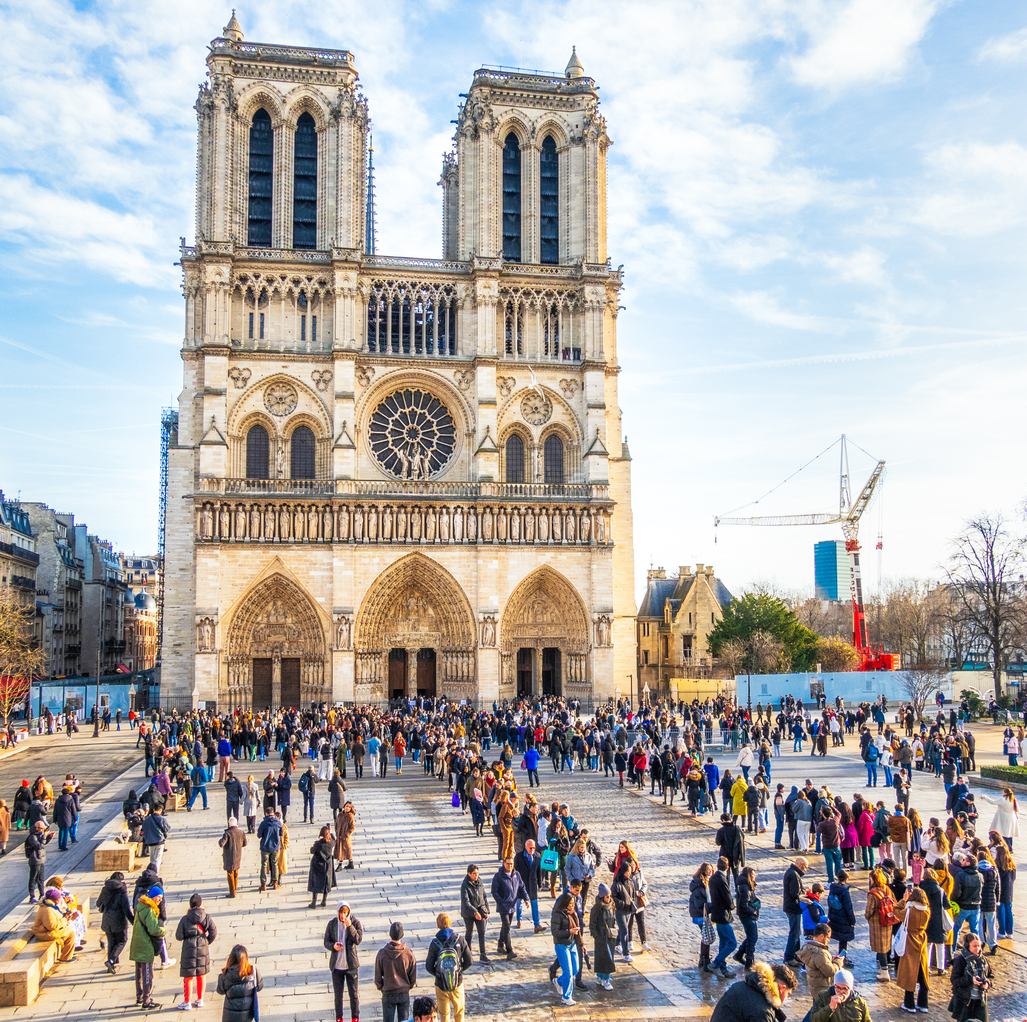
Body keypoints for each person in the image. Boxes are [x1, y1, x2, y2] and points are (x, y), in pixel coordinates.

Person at [709, 962, 798, 1022]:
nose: (786, 998)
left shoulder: (740, 986)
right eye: (788, 994)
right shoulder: (762, 1012)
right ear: (782, 988)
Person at [425, 910, 472, 1022]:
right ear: (450, 923)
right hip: (457, 983)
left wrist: (439, 973)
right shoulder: (459, 940)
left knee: (444, 1015)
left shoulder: (435, 943)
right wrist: (459, 971)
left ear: (438, 925)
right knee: (459, 1013)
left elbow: (428, 966)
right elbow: (469, 960)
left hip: (441, 984)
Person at [176, 892, 218, 1011]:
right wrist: (206, 941)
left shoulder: (185, 919)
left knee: (188, 976)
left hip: (188, 949)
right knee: (201, 974)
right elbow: (214, 932)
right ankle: (200, 1000)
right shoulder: (206, 917)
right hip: (202, 946)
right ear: (201, 904)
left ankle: (187, 1002)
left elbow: (179, 936)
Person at [324, 901, 363, 1022]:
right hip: (337, 966)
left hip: (351, 965)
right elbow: (326, 941)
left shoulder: (355, 923)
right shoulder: (332, 924)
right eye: (341, 913)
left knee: (354, 994)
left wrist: (350, 927)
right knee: (338, 995)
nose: (343, 916)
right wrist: (333, 946)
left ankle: (355, 1018)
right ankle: (339, 1018)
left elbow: (358, 940)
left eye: (345, 913)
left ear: (348, 913)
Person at [129, 885, 166, 1010]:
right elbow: (153, 929)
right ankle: (146, 1001)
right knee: (147, 975)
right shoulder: (150, 910)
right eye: (159, 897)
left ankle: (139, 997)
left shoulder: (140, 907)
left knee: (139, 973)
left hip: (137, 943)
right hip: (145, 945)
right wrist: (163, 931)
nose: (160, 900)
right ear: (154, 897)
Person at [897, 887, 932, 1013]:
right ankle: (923, 1004)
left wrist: (903, 900)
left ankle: (909, 1004)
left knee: (910, 974)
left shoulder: (909, 911)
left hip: (910, 942)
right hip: (922, 941)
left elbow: (896, 911)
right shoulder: (927, 910)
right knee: (922, 974)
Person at [374, 921, 417, 1022]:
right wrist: (408, 986)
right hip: (403, 992)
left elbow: (378, 975)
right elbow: (413, 975)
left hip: (388, 992)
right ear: (402, 935)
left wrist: (381, 987)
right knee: (404, 1020)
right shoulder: (408, 954)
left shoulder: (382, 953)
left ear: (390, 934)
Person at [948, 933, 992, 1022]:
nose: (977, 949)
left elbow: (990, 976)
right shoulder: (959, 960)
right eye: (974, 946)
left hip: (980, 1002)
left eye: (979, 946)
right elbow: (955, 981)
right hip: (965, 1002)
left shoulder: (983, 960)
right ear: (967, 946)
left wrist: (987, 983)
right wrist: (970, 980)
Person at [98, 870, 134, 973]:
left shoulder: (105, 889)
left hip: (106, 920)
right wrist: (133, 921)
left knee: (111, 942)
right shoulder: (122, 892)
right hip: (118, 921)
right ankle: (111, 961)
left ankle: (111, 965)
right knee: (122, 941)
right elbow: (126, 910)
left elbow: (98, 903)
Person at [491, 855, 527, 959]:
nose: (510, 866)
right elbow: (494, 891)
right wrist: (500, 901)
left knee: (506, 926)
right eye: (508, 864)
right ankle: (509, 950)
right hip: (503, 906)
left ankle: (500, 944)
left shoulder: (516, 875)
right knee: (507, 926)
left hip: (512, 905)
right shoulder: (498, 876)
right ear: (504, 864)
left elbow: (521, 887)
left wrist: (526, 898)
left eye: (511, 864)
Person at [216, 944, 262, 1022]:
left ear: (231, 958)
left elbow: (220, 991)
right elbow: (259, 987)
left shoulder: (225, 975)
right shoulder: (252, 972)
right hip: (247, 1015)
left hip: (230, 1016)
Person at [551, 889, 581, 1006]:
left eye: (573, 903)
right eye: (571, 904)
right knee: (568, 973)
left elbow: (577, 928)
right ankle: (566, 996)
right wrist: (569, 931)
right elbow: (555, 932)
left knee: (575, 969)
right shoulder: (557, 915)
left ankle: (558, 981)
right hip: (562, 945)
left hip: (572, 944)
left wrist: (581, 944)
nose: (573, 906)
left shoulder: (573, 913)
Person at [708, 855, 737, 978]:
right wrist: (732, 905)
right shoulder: (722, 879)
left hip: (716, 914)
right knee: (732, 943)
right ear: (727, 867)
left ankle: (723, 968)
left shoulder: (713, 878)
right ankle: (716, 963)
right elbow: (727, 898)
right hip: (723, 915)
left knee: (723, 942)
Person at [798, 922, 842, 1000]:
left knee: (816, 1005)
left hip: (815, 988)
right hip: (823, 990)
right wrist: (838, 961)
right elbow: (830, 971)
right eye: (828, 937)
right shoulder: (819, 953)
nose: (828, 940)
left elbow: (819, 963)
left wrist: (829, 959)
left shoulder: (808, 947)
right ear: (822, 936)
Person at [31, 886, 76, 962]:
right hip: (43, 933)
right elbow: (52, 926)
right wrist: (65, 920)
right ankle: (65, 957)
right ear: (54, 900)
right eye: (58, 900)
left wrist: (66, 915)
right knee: (70, 933)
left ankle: (67, 952)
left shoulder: (50, 906)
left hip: (46, 930)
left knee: (69, 929)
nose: (58, 901)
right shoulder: (48, 910)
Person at [588, 882, 617, 991]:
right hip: (601, 937)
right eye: (607, 897)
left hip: (610, 937)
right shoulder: (597, 909)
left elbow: (613, 920)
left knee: (608, 957)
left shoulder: (612, 906)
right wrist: (596, 935)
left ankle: (603, 977)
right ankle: (604, 979)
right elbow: (592, 923)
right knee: (604, 958)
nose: (609, 899)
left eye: (609, 896)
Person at [459, 863, 491, 963]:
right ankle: (467, 954)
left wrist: (487, 910)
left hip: (480, 911)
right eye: (474, 873)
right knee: (469, 932)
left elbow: (484, 897)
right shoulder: (465, 885)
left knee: (482, 933)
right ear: (469, 874)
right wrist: (474, 912)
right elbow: (465, 902)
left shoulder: (480, 882)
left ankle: (483, 954)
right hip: (468, 913)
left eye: (477, 873)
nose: (476, 875)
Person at [783, 856, 809, 968]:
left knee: (796, 932)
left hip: (791, 907)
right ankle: (789, 957)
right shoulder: (793, 874)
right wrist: (805, 893)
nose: (805, 869)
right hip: (793, 907)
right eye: (805, 867)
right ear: (800, 864)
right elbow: (795, 893)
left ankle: (796, 954)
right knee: (794, 933)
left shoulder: (791, 872)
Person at [514, 838, 544, 933]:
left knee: (534, 904)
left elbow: (539, 871)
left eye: (534, 848)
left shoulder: (537, 856)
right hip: (521, 884)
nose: (532, 849)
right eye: (530, 848)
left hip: (532, 884)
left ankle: (536, 924)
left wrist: (540, 883)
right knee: (520, 902)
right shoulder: (519, 856)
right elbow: (515, 870)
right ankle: (519, 919)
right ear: (526, 847)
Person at [735, 865, 760, 968]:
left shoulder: (748, 885)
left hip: (747, 915)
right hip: (747, 915)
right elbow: (743, 904)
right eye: (753, 874)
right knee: (752, 938)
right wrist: (753, 911)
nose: (755, 876)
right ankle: (749, 960)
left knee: (751, 937)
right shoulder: (745, 887)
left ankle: (739, 954)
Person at [308, 825, 337, 908]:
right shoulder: (331, 843)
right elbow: (334, 840)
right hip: (327, 865)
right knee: (326, 883)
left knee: (316, 883)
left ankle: (314, 902)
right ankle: (324, 901)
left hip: (317, 865)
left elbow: (312, 851)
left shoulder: (318, 844)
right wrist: (331, 832)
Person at [25, 820, 54, 903]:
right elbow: (38, 846)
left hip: (41, 859)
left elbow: (43, 844)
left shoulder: (39, 835)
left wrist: (49, 837)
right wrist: (44, 836)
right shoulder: (32, 837)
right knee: (33, 879)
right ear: (37, 828)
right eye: (41, 829)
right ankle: (32, 897)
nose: (43, 830)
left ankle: (42, 895)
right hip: (35, 860)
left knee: (41, 879)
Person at [218, 817, 246, 899]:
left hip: (229, 856)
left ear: (228, 824)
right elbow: (245, 843)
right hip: (238, 855)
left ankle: (232, 892)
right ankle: (235, 889)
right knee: (236, 872)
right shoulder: (241, 832)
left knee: (230, 873)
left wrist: (220, 840)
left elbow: (221, 844)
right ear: (237, 824)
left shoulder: (227, 833)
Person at [256, 807, 282, 892]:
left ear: (266, 813)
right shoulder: (278, 822)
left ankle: (263, 884)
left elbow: (259, 835)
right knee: (274, 864)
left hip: (265, 846)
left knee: (264, 864)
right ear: (273, 812)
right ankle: (275, 883)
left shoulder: (263, 823)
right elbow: (281, 833)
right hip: (275, 846)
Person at [142, 805, 171, 873]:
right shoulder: (162, 819)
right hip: (159, 841)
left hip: (150, 841)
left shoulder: (147, 819)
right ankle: (155, 872)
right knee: (157, 858)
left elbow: (143, 829)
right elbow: (167, 828)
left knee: (152, 859)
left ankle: (151, 871)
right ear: (160, 810)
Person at [334, 801, 356, 870]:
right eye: (346, 806)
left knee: (345, 850)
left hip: (345, 837)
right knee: (343, 850)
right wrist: (337, 831)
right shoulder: (340, 814)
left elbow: (352, 827)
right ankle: (350, 863)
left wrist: (347, 834)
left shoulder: (350, 816)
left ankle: (340, 865)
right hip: (339, 835)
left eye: (349, 807)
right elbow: (336, 823)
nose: (347, 808)